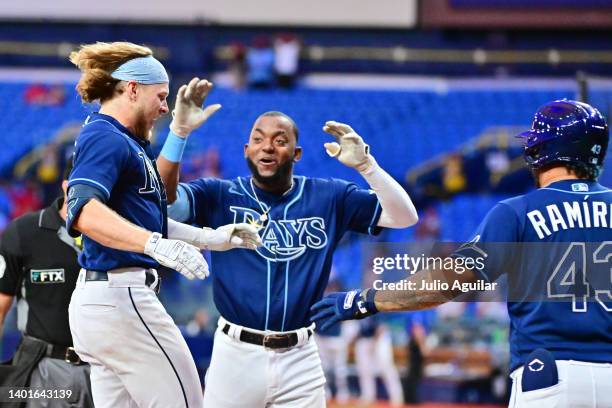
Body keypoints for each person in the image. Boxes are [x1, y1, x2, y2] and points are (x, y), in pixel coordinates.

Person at [312, 99, 612, 407]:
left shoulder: (517, 212)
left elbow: (448, 282)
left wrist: (365, 300)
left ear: (542, 151)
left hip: (549, 377)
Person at [156, 79, 419, 407]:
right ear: (246, 151)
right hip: (235, 355)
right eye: (258, 139)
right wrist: (179, 132)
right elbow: (162, 202)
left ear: (296, 154)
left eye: (280, 141)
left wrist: (368, 166)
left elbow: (405, 216)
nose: (267, 146)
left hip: (301, 357)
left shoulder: (329, 196)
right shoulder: (218, 194)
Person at [65, 42, 261, 408]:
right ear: (133, 89)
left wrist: (210, 238)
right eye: (161, 95)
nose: (165, 106)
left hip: (103, 303)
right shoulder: (106, 136)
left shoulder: (127, 141)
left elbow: (150, 216)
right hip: (121, 298)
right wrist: (154, 245)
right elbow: (84, 212)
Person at [0, 161, 94, 408]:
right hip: (47, 370)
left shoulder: (116, 238)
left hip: (105, 368)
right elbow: (0, 306)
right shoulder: (24, 232)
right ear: (65, 186)